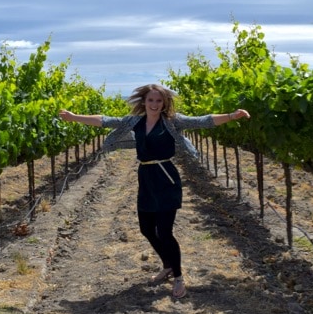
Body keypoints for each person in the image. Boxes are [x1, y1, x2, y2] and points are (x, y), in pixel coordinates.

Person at [58, 83, 250, 299]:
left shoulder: (172, 121)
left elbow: (204, 121)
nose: (155, 104)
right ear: (144, 102)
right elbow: (104, 121)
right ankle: (167, 265)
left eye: (159, 101)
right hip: (146, 177)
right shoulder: (134, 121)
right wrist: (75, 117)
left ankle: (178, 277)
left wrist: (232, 116)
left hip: (166, 176)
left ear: (164, 103)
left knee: (165, 231)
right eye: (151, 100)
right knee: (147, 229)